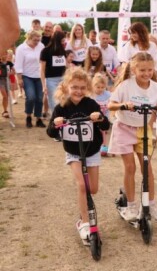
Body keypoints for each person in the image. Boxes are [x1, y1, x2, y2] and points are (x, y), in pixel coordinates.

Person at [46, 68, 110, 243]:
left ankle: (85, 213)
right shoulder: (61, 107)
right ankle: (84, 222)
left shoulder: (91, 104)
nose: (78, 91)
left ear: (87, 88)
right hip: (73, 152)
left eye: (82, 88)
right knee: (82, 185)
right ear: (67, 86)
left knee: (93, 189)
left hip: (92, 150)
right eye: (74, 87)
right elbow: (50, 132)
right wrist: (56, 124)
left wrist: (100, 118)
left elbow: (106, 127)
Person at [107, 52, 157, 222]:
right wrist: (123, 105)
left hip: (143, 129)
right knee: (130, 167)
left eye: (150, 70)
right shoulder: (126, 86)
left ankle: (151, 203)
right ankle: (131, 205)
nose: (146, 73)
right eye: (142, 70)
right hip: (124, 128)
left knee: (146, 168)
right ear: (134, 69)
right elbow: (110, 105)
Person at [14, 30, 46, 128]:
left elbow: (44, 60)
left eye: (38, 40)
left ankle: (38, 118)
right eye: (35, 40)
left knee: (40, 98)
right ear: (29, 38)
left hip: (39, 76)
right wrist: (19, 79)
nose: (37, 42)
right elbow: (18, 64)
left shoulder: (41, 46)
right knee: (31, 97)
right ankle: (28, 116)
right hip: (27, 76)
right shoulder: (21, 49)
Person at [40, 31, 67, 117]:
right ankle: (55, 119)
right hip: (50, 80)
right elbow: (42, 70)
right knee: (53, 101)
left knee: (64, 101)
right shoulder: (45, 51)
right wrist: (44, 85)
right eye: (62, 40)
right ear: (58, 40)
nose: (64, 42)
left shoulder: (63, 50)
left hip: (63, 79)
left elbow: (65, 65)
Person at [91, 73, 112, 156]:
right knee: (95, 132)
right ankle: (94, 146)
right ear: (93, 86)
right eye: (98, 87)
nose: (100, 89)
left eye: (102, 87)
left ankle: (104, 146)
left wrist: (107, 117)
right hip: (93, 118)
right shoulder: (91, 95)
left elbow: (109, 106)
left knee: (103, 132)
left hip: (104, 117)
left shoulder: (108, 94)